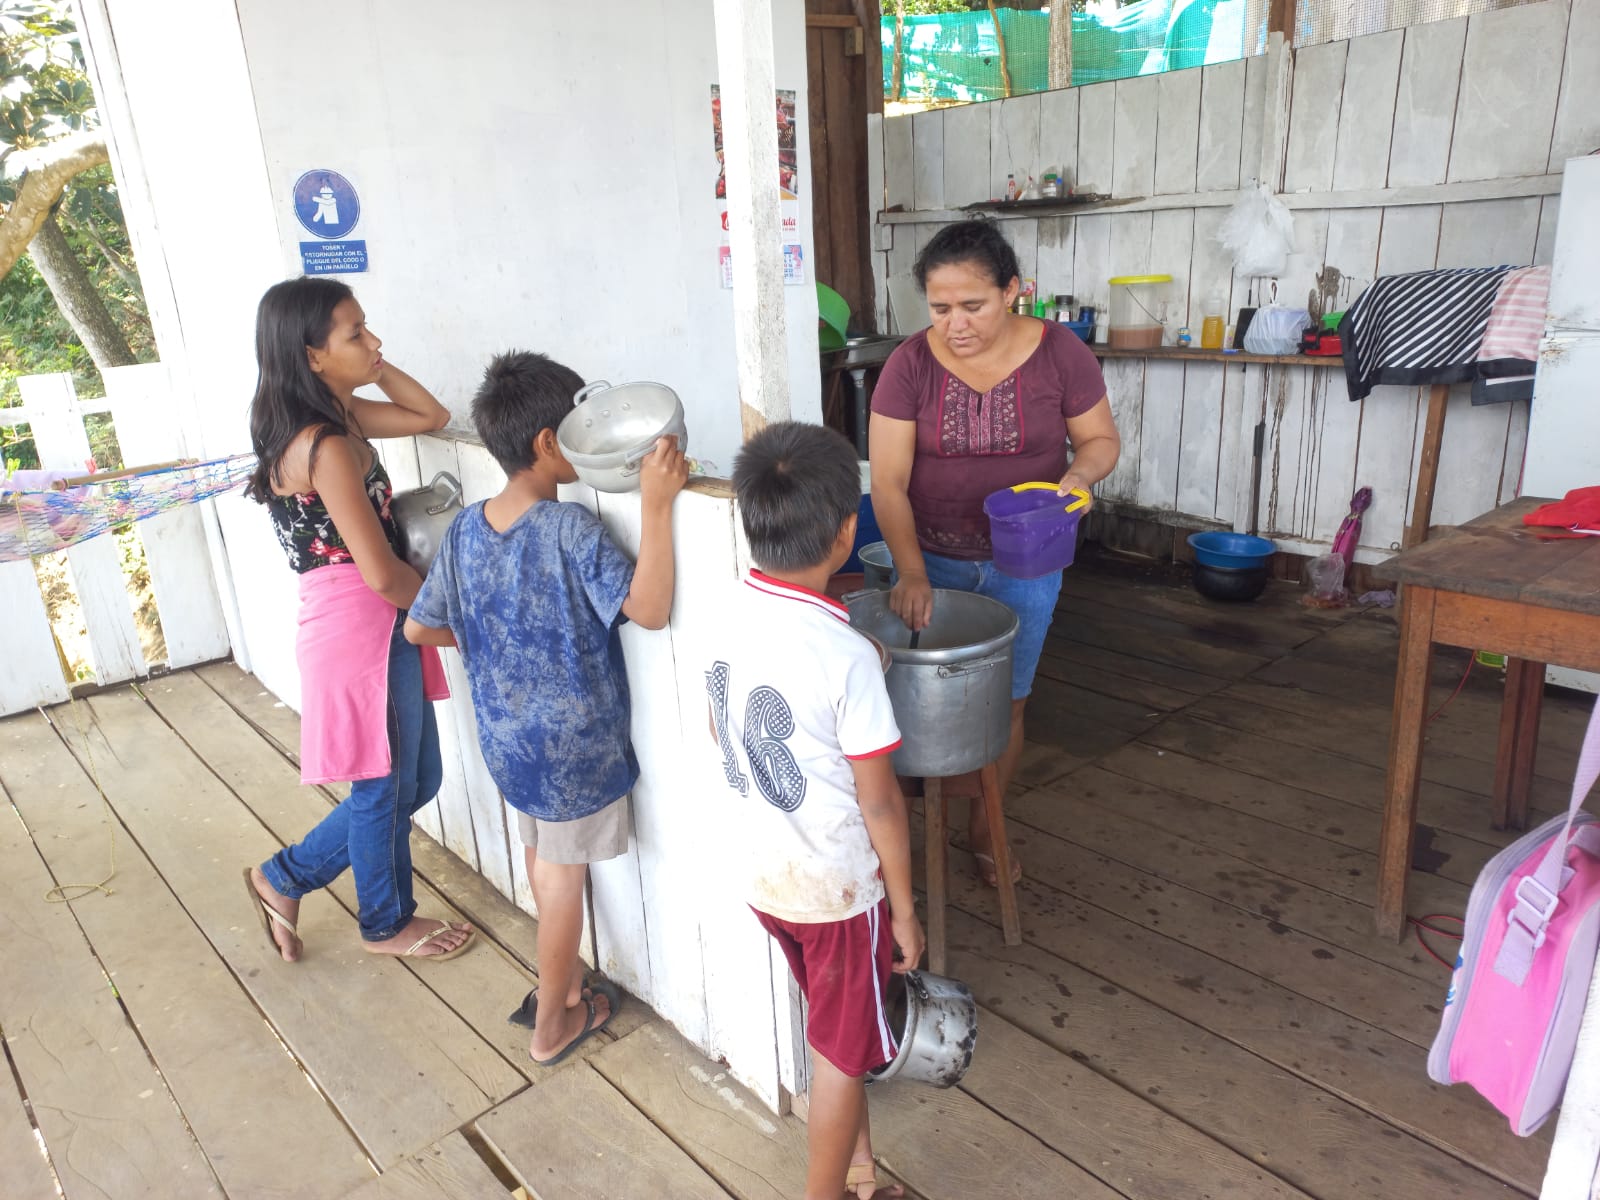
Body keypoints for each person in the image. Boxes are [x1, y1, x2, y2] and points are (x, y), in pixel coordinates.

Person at [404, 351, 687, 1066]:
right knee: (563, 879)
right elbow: (649, 609)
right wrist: (656, 505)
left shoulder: (466, 528)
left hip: (507, 740)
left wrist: (492, 640)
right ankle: (552, 1025)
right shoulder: (569, 530)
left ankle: (561, 984)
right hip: (573, 751)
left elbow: (419, 628)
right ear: (548, 443)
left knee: (542, 860)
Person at [707, 421, 925, 1200]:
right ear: (845, 534)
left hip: (766, 878)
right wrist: (905, 912)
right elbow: (881, 803)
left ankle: (860, 1176)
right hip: (838, 895)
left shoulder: (728, 612)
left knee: (837, 1026)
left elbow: (721, 729)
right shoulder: (847, 657)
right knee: (842, 1056)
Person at [868, 220, 1121, 887]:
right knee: (912, 700)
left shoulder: (1060, 353)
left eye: (973, 305)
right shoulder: (909, 366)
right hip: (931, 559)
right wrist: (912, 571)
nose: (955, 324)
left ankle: (986, 824)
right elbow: (887, 482)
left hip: (1029, 559)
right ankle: (903, 837)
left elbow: (1099, 441)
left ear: (1013, 291)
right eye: (940, 308)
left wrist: (1078, 477)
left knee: (1006, 701)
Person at [242, 276, 474, 964]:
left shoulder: (340, 420)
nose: (374, 340)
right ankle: (385, 922)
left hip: (373, 618)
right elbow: (380, 572)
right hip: (361, 625)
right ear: (312, 356)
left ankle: (282, 877)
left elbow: (430, 414)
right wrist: (458, 626)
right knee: (383, 785)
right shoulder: (326, 446)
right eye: (355, 333)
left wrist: (372, 365)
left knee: (415, 780)